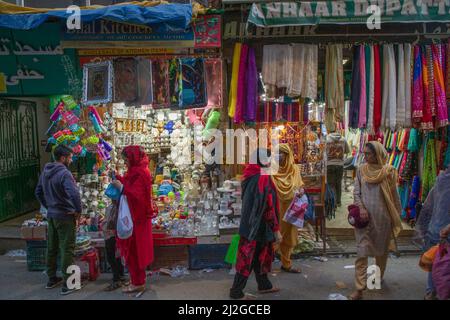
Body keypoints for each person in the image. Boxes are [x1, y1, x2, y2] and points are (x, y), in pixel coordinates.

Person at [349, 141, 403, 300]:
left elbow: (394, 196)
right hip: (364, 219)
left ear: (378, 154)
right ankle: (359, 289)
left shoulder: (389, 172)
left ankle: (375, 279)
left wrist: (396, 216)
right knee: (362, 252)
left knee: (380, 253)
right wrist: (362, 208)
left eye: (368, 154)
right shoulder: (361, 170)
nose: (365, 156)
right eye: (364, 153)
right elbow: (357, 193)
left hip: (383, 219)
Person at [229, 149, 282, 300]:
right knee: (248, 258)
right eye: (269, 159)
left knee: (260, 255)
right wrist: (276, 229)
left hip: (251, 224)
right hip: (257, 226)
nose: (271, 162)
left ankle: (264, 284)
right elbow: (268, 206)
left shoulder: (249, 174)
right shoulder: (261, 178)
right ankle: (236, 292)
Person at [35, 145, 81, 295]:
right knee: (67, 248)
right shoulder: (64, 174)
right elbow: (74, 194)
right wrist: (78, 210)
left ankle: (52, 278)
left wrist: (49, 206)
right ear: (63, 158)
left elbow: (38, 192)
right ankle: (69, 284)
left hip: (52, 215)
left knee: (52, 247)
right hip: (65, 215)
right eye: (70, 157)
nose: (71, 159)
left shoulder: (46, 171)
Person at [112, 146, 154, 294]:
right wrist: (119, 178)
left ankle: (138, 282)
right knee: (134, 250)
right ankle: (137, 279)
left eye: (126, 160)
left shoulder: (140, 172)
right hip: (135, 218)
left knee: (134, 251)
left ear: (133, 158)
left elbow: (137, 195)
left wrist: (122, 188)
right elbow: (131, 186)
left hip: (137, 219)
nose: (125, 163)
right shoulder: (137, 171)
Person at [415, 165, 450, 300]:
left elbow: (429, 205)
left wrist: (424, 228)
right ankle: (435, 292)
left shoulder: (441, 180)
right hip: (441, 230)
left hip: (436, 229)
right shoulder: (442, 181)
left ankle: (432, 292)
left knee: (437, 261)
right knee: (440, 262)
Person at [272, 144, 304, 273]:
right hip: (275, 207)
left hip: (291, 208)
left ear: (287, 155)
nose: (278, 156)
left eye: (282, 153)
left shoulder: (294, 169)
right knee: (274, 234)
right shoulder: (270, 169)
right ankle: (264, 266)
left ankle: (286, 263)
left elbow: (300, 183)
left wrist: (301, 190)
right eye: (277, 153)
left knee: (289, 236)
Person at [103, 199, 129, 291]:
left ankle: (116, 279)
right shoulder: (119, 206)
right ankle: (120, 276)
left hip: (112, 234)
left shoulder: (116, 207)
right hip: (117, 234)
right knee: (118, 255)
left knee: (111, 257)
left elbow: (110, 223)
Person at [326, 131, 350, 206]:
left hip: (329, 164)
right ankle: (338, 202)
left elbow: (323, 151)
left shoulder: (327, 139)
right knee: (338, 183)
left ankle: (333, 202)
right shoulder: (343, 139)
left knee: (331, 184)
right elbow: (347, 151)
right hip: (340, 164)